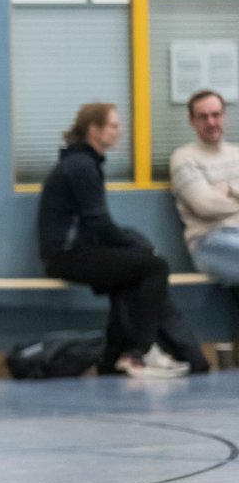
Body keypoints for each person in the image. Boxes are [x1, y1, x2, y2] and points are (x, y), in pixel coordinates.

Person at [36, 103, 190, 378]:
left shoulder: (83, 162)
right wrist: (140, 248)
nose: (119, 131)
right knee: (155, 267)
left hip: (73, 253)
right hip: (66, 257)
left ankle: (112, 359)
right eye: (113, 126)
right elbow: (100, 224)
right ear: (94, 130)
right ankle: (140, 353)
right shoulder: (82, 167)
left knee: (131, 274)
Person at [170, 90, 239, 283]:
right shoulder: (184, 158)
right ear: (192, 121)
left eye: (216, 115)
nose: (211, 122)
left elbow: (216, 202)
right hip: (211, 242)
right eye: (203, 117)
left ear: (224, 117)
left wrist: (230, 191)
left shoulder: (237, 154)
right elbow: (205, 206)